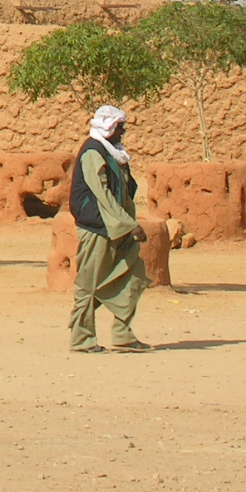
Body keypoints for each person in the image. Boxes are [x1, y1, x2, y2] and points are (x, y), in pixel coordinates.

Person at [67, 104, 151, 352]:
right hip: (98, 226)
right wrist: (129, 225)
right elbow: (102, 195)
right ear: (109, 126)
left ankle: (123, 334)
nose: (123, 132)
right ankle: (82, 339)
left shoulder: (113, 152)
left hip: (118, 225)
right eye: (120, 127)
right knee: (88, 283)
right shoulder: (93, 152)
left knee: (133, 274)